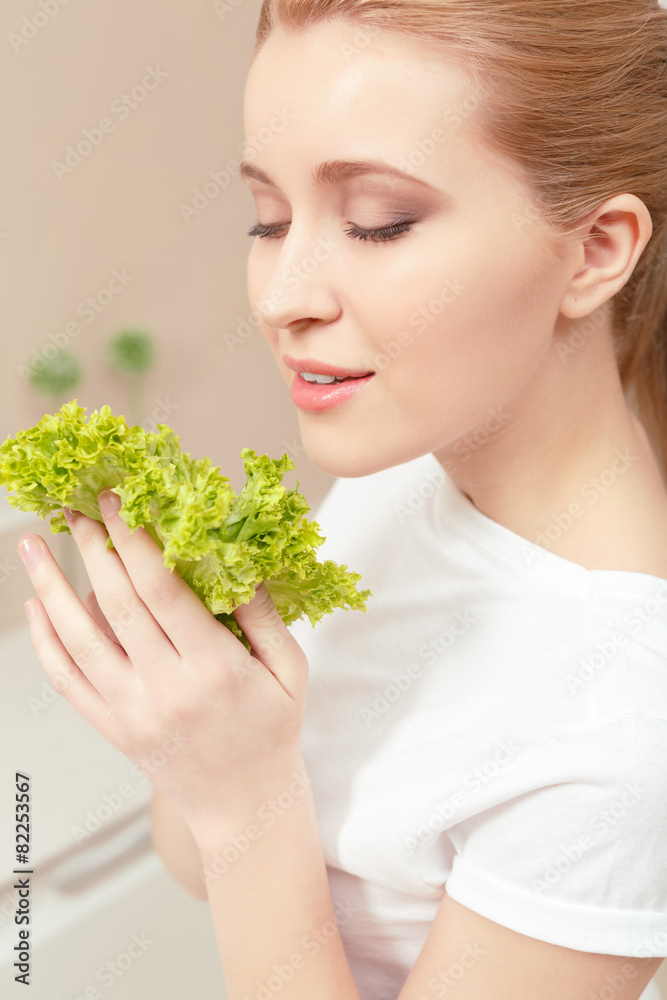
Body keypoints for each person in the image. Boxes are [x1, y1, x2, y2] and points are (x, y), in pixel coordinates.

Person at [17, 1, 667, 998]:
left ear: (594, 251)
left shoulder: (617, 724)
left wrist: (243, 799)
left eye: (376, 223)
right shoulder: (404, 471)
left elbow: (234, 832)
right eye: (268, 219)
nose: (282, 296)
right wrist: (205, 710)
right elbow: (196, 861)